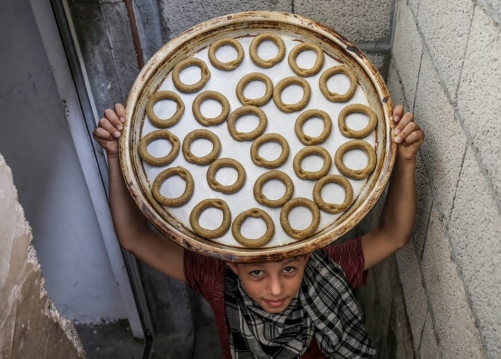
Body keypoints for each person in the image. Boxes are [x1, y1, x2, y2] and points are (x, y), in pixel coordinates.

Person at [93, 103, 424, 358]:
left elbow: (393, 235)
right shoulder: (217, 280)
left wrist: (406, 159)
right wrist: (114, 156)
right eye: (256, 274)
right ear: (233, 265)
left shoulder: (328, 269)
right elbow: (134, 238)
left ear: (308, 255)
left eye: (290, 269)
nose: (276, 288)